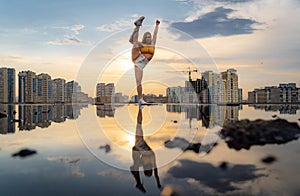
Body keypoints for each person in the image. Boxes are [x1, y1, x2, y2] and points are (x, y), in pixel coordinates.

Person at [129, 16, 160, 105]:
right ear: (144, 38)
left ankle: (137, 26)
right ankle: (140, 99)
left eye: (149, 36)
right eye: (146, 37)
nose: (148, 38)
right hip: (138, 61)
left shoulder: (152, 44)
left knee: (133, 41)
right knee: (138, 82)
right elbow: (132, 41)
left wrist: (157, 25)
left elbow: (155, 34)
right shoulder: (141, 44)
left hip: (142, 65)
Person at [130, 108, 161, 193]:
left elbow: (156, 174)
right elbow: (156, 174)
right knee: (139, 124)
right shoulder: (152, 162)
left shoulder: (143, 163)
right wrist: (158, 183)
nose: (146, 168)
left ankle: (138, 183)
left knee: (134, 167)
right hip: (139, 145)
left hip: (138, 147)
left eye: (146, 170)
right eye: (148, 170)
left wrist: (158, 183)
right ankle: (138, 183)